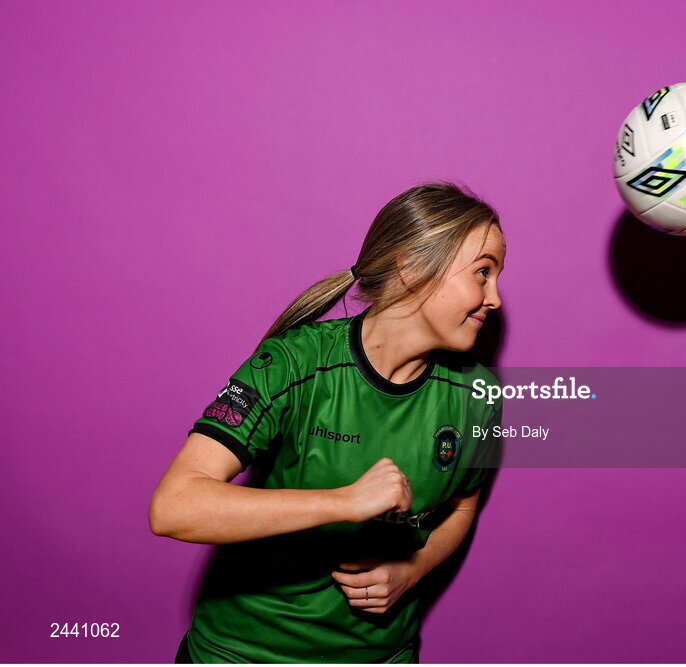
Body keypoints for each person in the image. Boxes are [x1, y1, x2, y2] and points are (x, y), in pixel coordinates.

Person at [149, 182, 506, 663]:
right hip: (241, 653)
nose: (495, 298)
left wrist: (414, 566)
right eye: (482, 272)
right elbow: (175, 506)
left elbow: (463, 508)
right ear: (413, 266)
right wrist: (345, 502)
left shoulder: (477, 396)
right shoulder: (292, 363)